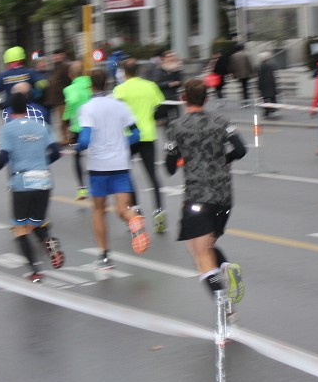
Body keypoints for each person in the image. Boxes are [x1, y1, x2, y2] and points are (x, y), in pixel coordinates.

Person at [164, 79, 247, 306]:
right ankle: (224, 268)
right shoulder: (221, 120)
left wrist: (184, 157)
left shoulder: (176, 126)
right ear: (207, 99)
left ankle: (225, 309)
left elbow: (169, 167)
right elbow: (241, 149)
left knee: (199, 256)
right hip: (224, 197)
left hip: (198, 196)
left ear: (183, 99)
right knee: (207, 247)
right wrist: (225, 159)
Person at [76, 69, 149, 268]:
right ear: (107, 84)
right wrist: (121, 142)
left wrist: (76, 146)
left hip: (98, 166)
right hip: (120, 164)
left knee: (99, 211)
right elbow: (137, 134)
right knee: (122, 208)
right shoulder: (119, 106)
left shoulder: (87, 108)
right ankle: (133, 218)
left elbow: (84, 140)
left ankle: (105, 256)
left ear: (91, 86)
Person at [0, 92, 65, 282]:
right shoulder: (42, 125)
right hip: (44, 181)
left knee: (20, 228)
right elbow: (57, 152)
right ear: (27, 108)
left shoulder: (8, 129)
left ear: (11, 109)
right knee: (35, 223)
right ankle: (48, 242)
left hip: (22, 182)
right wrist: (43, 162)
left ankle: (35, 270)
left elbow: (3, 157)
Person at [113, 58, 167, 233]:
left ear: (124, 72)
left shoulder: (120, 89)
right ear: (137, 70)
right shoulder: (150, 86)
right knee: (152, 175)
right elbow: (161, 108)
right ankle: (159, 210)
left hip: (128, 137)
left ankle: (136, 210)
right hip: (148, 135)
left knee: (127, 176)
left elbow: (117, 113)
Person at [62, 62, 92, 201]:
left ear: (70, 75)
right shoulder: (90, 84)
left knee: (77, 158)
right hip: (94, 126)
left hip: (77, 128)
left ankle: (81, 189)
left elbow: (70, 105)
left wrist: (66, 119)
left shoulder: (69, 89)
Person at [0, 46, 46, 111]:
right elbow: (43, 84)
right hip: (29, 108)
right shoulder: (30, 72)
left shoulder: (3, 75)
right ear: (22, 59)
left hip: (10, 109)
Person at [154, 50, 184, 125]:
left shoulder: (177, 69)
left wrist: (178, 83)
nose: (171, 58)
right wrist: (168, 84)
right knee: (165, 120)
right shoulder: (159, 70)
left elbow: (181, 81)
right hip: (164, 97)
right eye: (169, 56)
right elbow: (156, 84)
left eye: (172, 56)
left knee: (177, 119)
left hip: (174, 97)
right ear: (164, 58)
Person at [47, 49, 72, 137]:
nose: (56, 57)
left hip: (63, 98)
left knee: (64, 119)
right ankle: (65, 137)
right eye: (55, 56)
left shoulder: (65, 66)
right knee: (62, 119)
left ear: (63, 55)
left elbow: (69, 80)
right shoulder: (56, 67)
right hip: (58, 99)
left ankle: (66, 137)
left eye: (58, 55)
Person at [256, 52, 278, 118]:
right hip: (271, 83)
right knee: (272, 97)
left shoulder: (260, 66)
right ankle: (272, 109)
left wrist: (259, 86)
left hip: (264, 84)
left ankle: (267, 111)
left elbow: (259, 77)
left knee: (265, 98)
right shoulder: (271, 65)